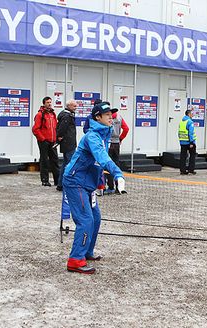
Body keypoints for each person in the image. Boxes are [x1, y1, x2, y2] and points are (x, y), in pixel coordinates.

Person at [63, 102, 126, 274]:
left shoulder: (104, 135)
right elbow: (102, 157)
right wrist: (117, 174)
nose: (111, 118)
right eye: (107, 115)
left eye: (111, 115)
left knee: (96, 218)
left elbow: (97, 164)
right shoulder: (92, 137)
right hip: (75, 181)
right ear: (97, 117)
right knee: (86, 220)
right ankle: (75, 260)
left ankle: (87, 251)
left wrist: (100, 182)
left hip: (87, 184)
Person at [32, 96, 60, 187]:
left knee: (55, 160)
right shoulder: (40, 115)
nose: (49, 104)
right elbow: (35, 129)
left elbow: (55, 126)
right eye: (48, 102)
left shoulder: (53, 114)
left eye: (50, 102)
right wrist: (42, 139)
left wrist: (56, 138)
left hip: (52, 140)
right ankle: (45, 180)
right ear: (44, 103)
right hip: (44, 141)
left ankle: (57, 180)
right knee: (44, 160)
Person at [104, 110, 129, 194]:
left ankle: (110, 186)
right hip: (116, 143)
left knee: (108, 164)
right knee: (116, 164)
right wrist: (120, 138)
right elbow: (126, 129)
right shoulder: (119, 117)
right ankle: (119, 187)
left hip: (108, 143)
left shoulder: (106, 117)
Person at [56, 99, 78, 192]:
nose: (75, 108)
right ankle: (67, 184)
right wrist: (60, 136)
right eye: (74, 106)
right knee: (70, 164)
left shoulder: (66, 115)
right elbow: (62, 128)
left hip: (67, 143)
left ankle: (60, 184)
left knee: (65, 163)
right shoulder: (67, 116)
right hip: (68, 143)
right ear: (68, 106)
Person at [178, 109, 197, 175]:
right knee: (192, 156)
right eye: (192, 114)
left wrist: (181, 141)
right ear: (189, 114)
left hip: (182, 142)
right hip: (189, 142)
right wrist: (191, 142)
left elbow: (179, 132)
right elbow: (190, 133)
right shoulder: (190, 122)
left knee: (183, 156)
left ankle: (182, 170)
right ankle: (191, 170)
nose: (193, 115)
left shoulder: (181, 122)